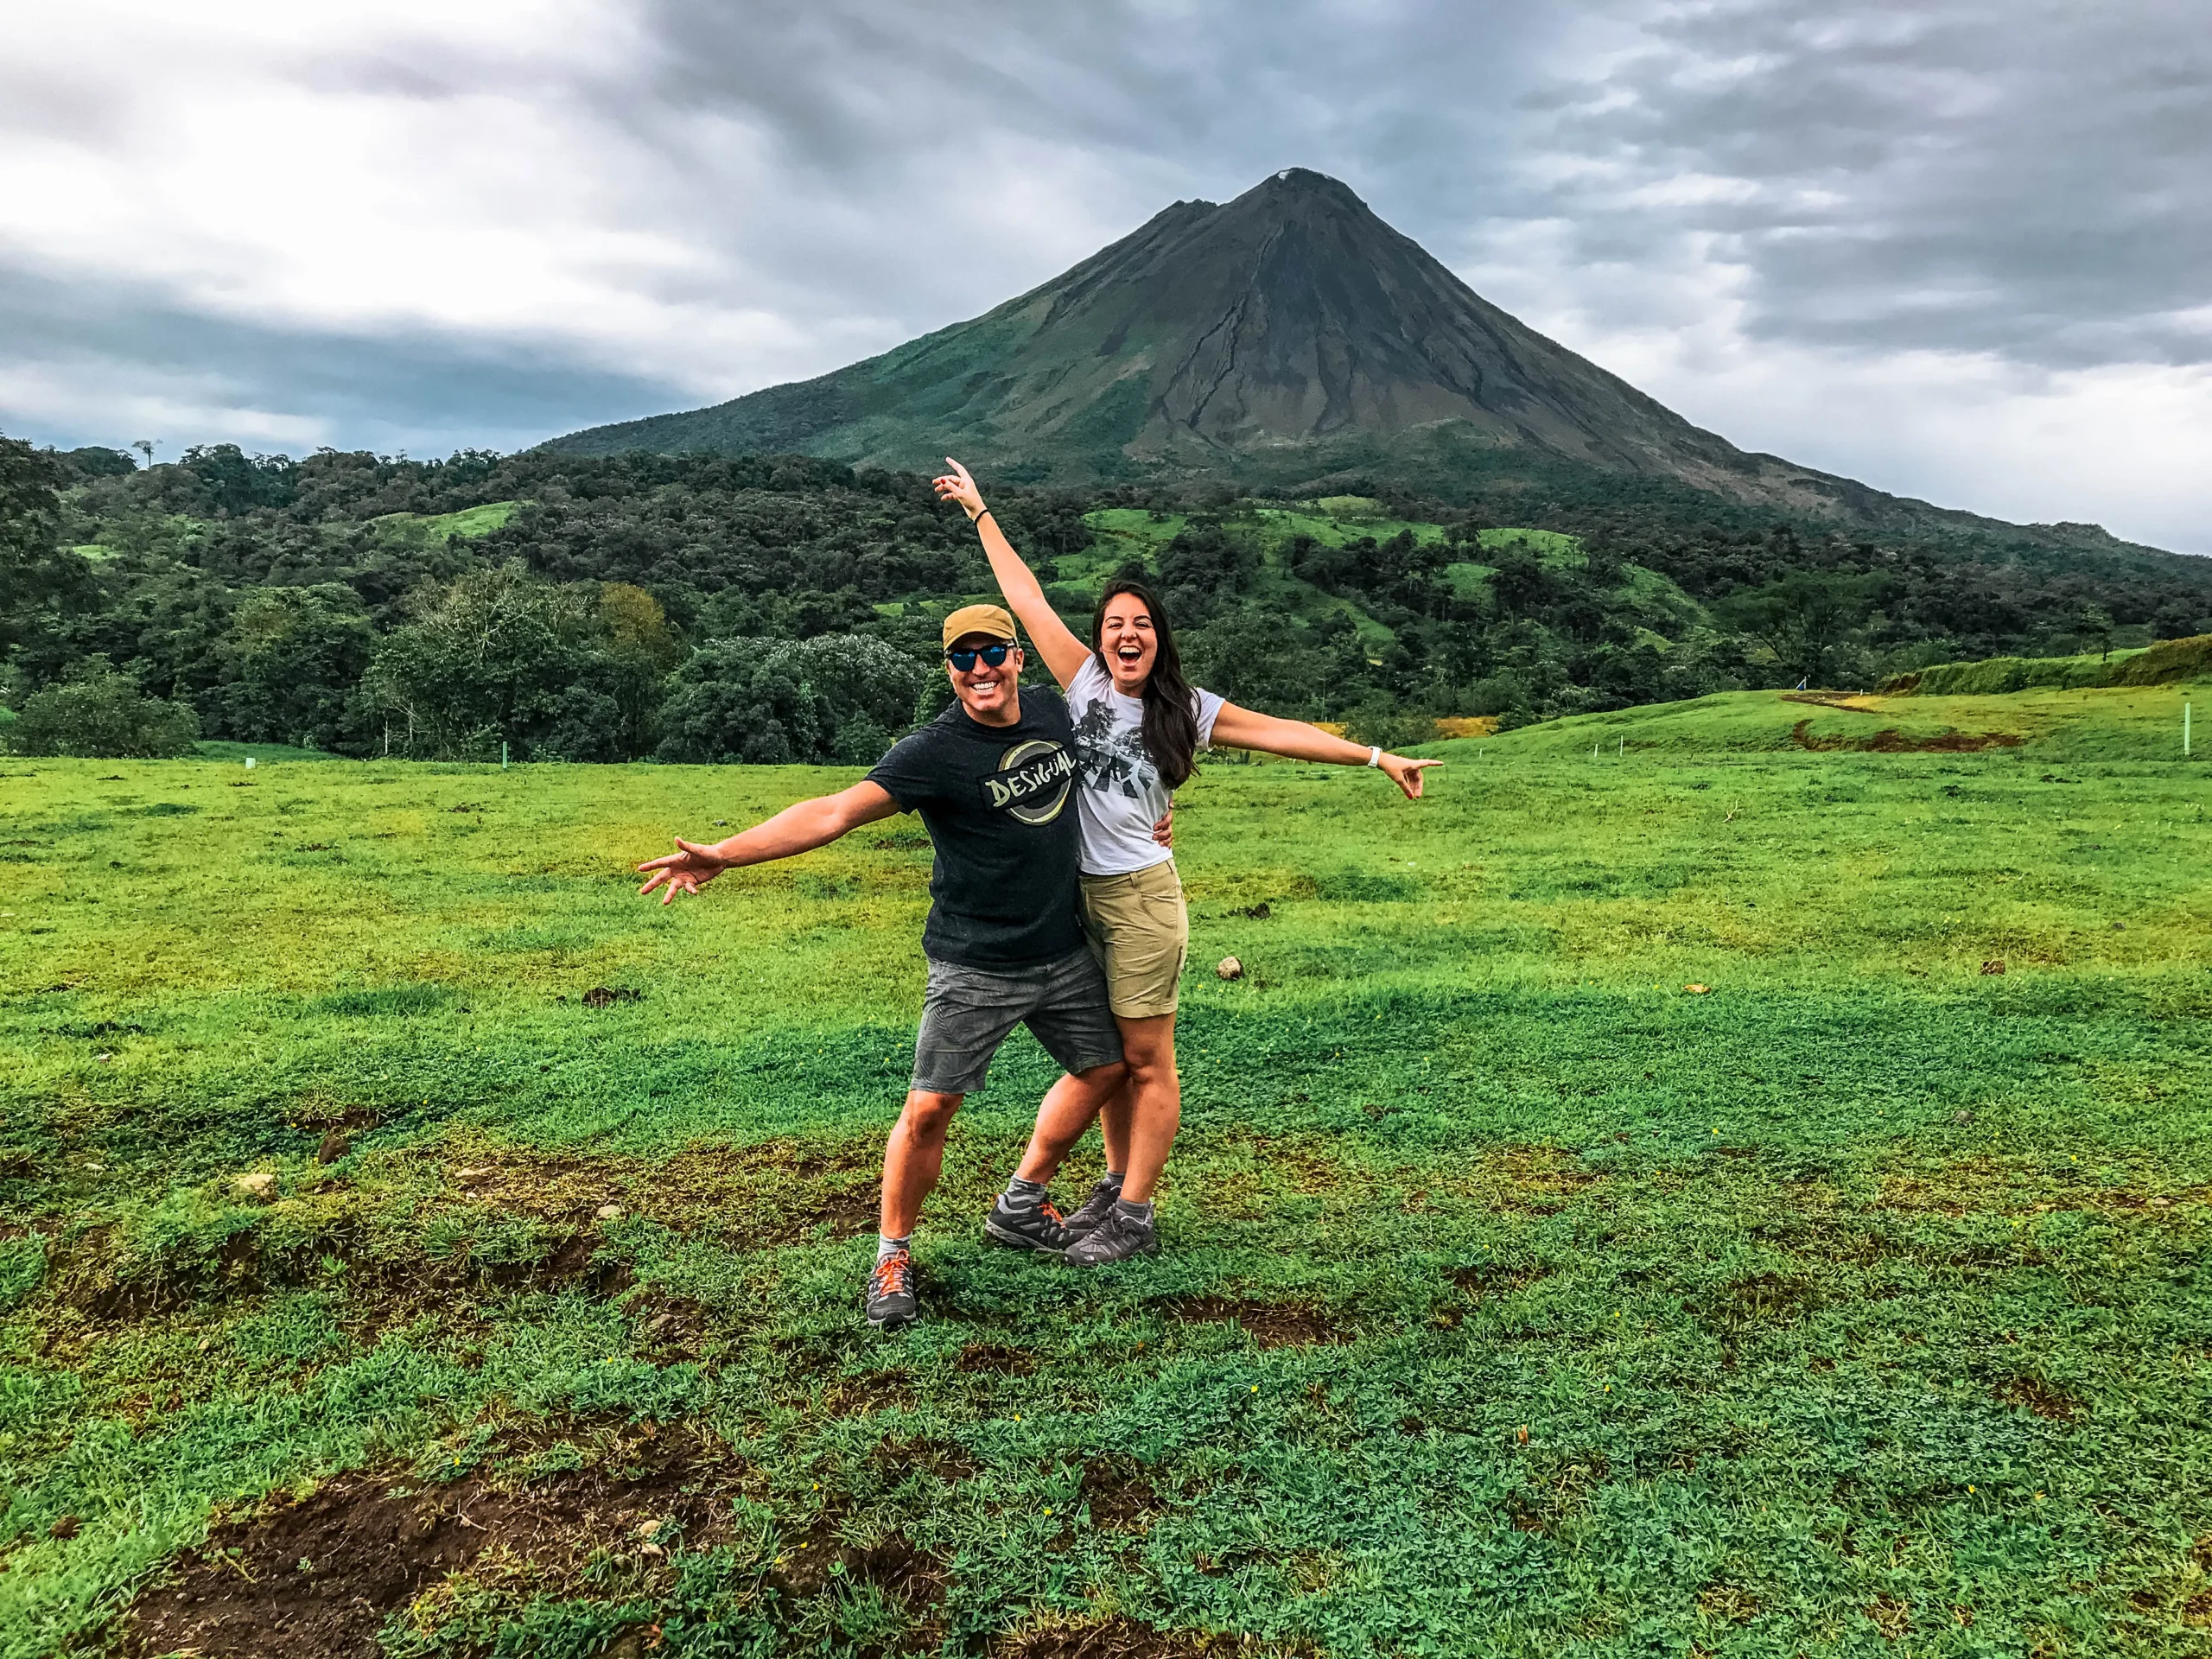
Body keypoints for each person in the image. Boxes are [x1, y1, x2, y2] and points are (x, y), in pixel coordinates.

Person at [931, 459, 1440, 1267]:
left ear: (1158, 637)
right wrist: (982, 511)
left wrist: (1375, 756)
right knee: (1106, 1055)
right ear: (1100, 638)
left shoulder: (1188, 709)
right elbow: (1025, 601)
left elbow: (1282, 731)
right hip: (1077, 901)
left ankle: (1134, 1213)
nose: (1126, 636)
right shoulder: (1083, 681)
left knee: (1146, 1059)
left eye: (1141, 624)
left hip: (1141, 901)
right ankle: (1111, 1183)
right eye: (1113, 625)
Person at [638, 603, 1159, 1331]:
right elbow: (833, 812)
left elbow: (1123, 757)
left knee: (1108, 1070)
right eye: (963, 659)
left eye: (992, 653)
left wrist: (1156, 814)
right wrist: (726, 852)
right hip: (974, 959)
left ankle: (1022, 1201)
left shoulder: (1055, 710)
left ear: (1018, 658)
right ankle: (892, 1253)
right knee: (929, 1110)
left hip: (1063, 947)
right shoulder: (934, 751)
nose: (979, 669)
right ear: (950, 672)